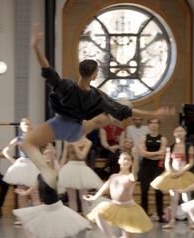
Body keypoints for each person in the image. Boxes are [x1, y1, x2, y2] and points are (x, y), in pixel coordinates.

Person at [21, 24, 174, 190]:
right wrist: (154, 113)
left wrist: (36, 47)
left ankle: (46, 171)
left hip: (60, 125)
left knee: (27, 143)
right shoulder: (97, 96)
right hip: (77, 131)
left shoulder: (66, 86)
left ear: (80, 72)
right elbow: (126, 111)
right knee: (102, 117)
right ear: (94, 75)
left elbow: (47, 69)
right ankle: (110, 118)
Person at [13, 143, 89, 238]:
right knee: (25, 219)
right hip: (45, 208)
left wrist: (64, 150)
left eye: (50, 154)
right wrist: (23, 193)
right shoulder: (39, 175)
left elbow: (62, 160)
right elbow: (33, 188)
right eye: (45, 154)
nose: (48, 155)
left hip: (57, 210)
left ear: (53, 157)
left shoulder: (56, 173)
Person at [85, 152, 153, 238]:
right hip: (115, 206)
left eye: (128, 159)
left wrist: (136, 157)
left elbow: (135, 172)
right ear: (119, 161)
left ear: (131, 162)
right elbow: (105, 187)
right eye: (124, 159)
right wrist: (94, 197)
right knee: (98, 214)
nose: (126, 161)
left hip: (129, 209)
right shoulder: (113, 176)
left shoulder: (131, 177)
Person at [151, 126, 194, 229]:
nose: (179, 133)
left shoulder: (189, 146)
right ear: (174, 133)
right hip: (172, 174)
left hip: (184, 174)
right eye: (177, 131)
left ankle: (191, 222)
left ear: (185, 133)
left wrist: (180, 172)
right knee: (174, 199)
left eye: (181, 131)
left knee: (187, 198)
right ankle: (172, 221)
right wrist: (170, 172)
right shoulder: (170, 147)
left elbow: (190, 163)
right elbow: (167, 162)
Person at [3, 118, 40, 213]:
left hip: (33, 165)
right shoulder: (18, 139)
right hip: (22, 165)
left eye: (28, 124)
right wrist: (14, 162)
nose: (27, 126)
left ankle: (37, 216)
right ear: (21, 126)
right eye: (25, 124)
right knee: (21, 193)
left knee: (35, 193)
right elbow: (5, 151)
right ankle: (22, 217)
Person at [59, 136, 103, 215]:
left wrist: (75, 144)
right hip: (69, 168)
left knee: (84, 198)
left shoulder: (88, 142)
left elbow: (82, 156)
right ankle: (74, 220)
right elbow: (64, 157)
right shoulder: (67, 140)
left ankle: (87, 219)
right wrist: (59, 171)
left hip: (82, 168)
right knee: (71, 198)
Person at [138, 118, 167, 222]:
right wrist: (156, 154)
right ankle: (144, 215)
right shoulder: (144, 138)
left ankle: (160, 215)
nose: (154, 125)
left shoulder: (162, 138)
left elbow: (163, 154)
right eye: (152, 123)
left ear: (159, 125)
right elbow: (142, 153)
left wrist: (149, 155)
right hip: (145, 167)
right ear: (149, 125)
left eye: (156, 123)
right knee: (144, 192)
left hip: (158, 168)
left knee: (159, 192)